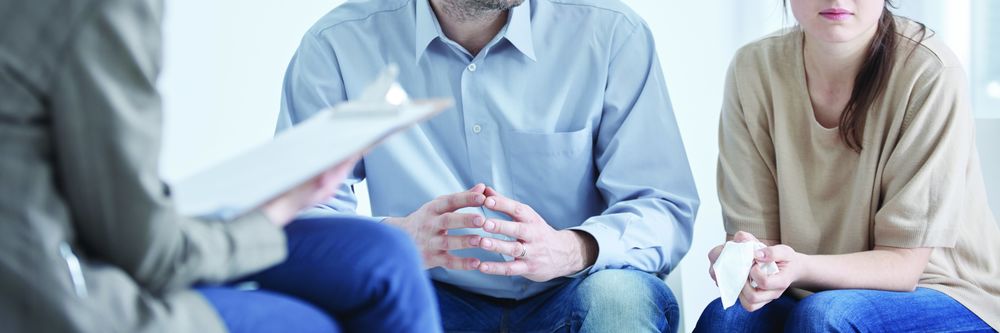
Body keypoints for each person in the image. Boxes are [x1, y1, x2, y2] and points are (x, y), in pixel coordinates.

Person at [0, 0, 441, 332]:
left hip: (106, 232)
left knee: (385, 256)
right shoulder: (101, 10)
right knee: (310, 324)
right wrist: (277, 211)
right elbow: (149, 254)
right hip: (66, 286)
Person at [277, 0, 699, 331]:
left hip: (574, 289)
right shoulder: (337, 44)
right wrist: (398, 242)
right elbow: (298, 219)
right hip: (426, 295)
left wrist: (570, 249)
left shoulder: (610, 33)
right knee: (337, 303)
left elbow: (662, 206)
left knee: (620, 297)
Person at [695, 0, 1000, 331]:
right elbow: (758, 242)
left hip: (943, 292)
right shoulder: (752, 69)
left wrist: (799, 268)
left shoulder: (930, 73)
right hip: (806, 289)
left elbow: (903, 266)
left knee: (826, 316)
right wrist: (744, 263)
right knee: (727, 319)